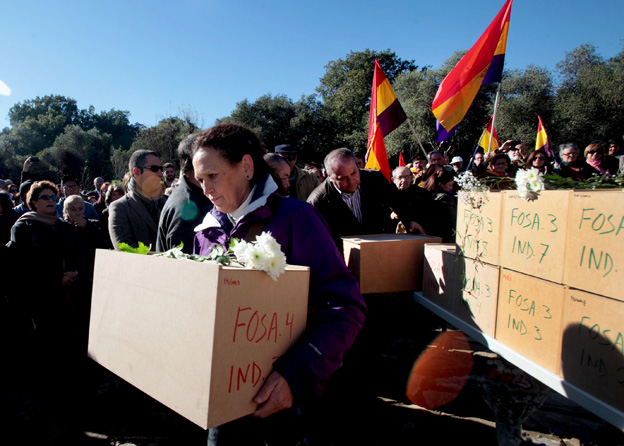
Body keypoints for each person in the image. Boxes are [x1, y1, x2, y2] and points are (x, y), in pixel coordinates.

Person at [191, 124, 366, 444]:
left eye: (213, 176)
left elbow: (345, 307)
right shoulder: (204, 232)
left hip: (284, 404)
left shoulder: (297, 218)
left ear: (246, 166)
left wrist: (296, 375)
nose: (206, 189)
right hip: (222, 408)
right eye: (200, 180)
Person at [307, 148, 423, 251]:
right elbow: (316, 241)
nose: (351, 181)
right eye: (342, 178)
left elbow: (397, 202)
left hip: (378, 248)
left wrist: (409, 222)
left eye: (354, 173)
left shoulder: (374, 179)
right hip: (342, 258)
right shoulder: (317, 202)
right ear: (329, 176)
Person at [156, 134, 213, 253]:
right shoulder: (186, 206)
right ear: (190, 166)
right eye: (206, 160)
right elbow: (185, 263)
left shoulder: (197, 195)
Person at [108, 150, 167, 249]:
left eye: (161, 169)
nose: (161, 174)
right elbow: (125, 249)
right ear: (136, 172)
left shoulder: (168, 202)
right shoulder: (120, 208)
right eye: (154, 168)